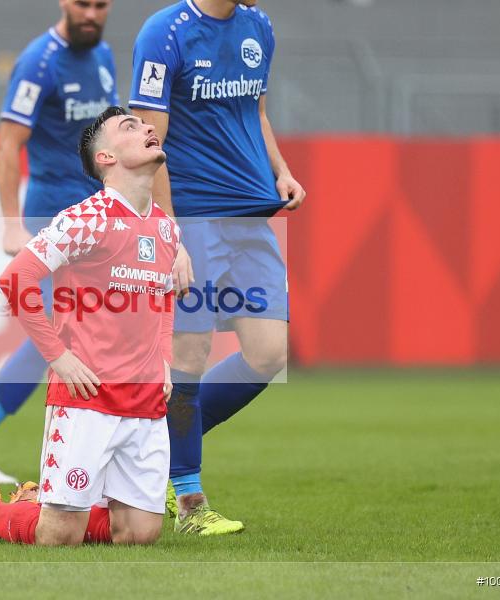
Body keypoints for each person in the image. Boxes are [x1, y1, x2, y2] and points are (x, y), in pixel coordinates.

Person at [0, 107, 179, 546]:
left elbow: (163, 296)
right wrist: (57, 357)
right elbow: (15, 280)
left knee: (139, 536)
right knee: (57, 537)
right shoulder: (84, 219)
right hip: (86, 398)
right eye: (130, 127)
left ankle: (41, 500)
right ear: (106, 159)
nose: (148, 128)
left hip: (144, 399)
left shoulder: (166, 228)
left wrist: (165, 361)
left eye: (145, 124)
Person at [128, 0, 307, 535]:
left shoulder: (259, 26)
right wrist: (168, 231)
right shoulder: (165, 33)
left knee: (268, 354)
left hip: (252, 215)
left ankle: (150, 450)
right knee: (190, 351)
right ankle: (188, 502)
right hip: (195, 216)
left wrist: (280, 169)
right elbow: (148, 142)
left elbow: (256, 110)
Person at [0, 0, 118, 483]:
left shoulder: (102, 56)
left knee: (92, 330)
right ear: (64, 2)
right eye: (84, 4)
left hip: (97, 214)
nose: (92, 14)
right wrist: (10, 223)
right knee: (58, 334)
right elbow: (7, 144)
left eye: (101, 5)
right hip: (52, 213)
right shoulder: (39, 62)